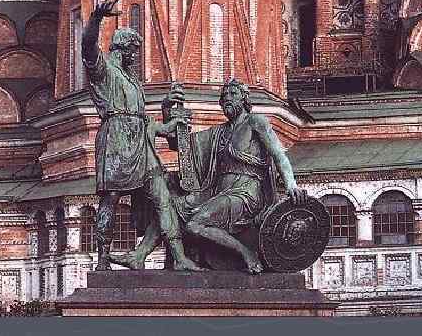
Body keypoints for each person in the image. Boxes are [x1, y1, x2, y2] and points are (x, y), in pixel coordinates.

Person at [108, 78, 307, 273]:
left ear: (244, 99)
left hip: (245, 194)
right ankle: (139, 256)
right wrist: (168, 111)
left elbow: (279, 155)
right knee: (170, 206)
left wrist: (291, 185)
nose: (227, 98)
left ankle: (246, 253)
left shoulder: (255, 122)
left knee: (195, 224)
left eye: (233, 94)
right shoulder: (219, 132)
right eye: (224, 95)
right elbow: (181, 145)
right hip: (216, 191)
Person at [81, 0, 202, 271]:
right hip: (116, 140)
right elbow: (87, 47)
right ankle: (103, 261)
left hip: (141, 143)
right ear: (121, 49)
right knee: (111, 199)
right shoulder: (104, 71)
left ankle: (179, 258)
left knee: (162, 197)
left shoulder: (133, 80)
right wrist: (96, 18)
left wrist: (167, 110)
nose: (135, 57)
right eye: (133, 51)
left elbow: (145, 120)